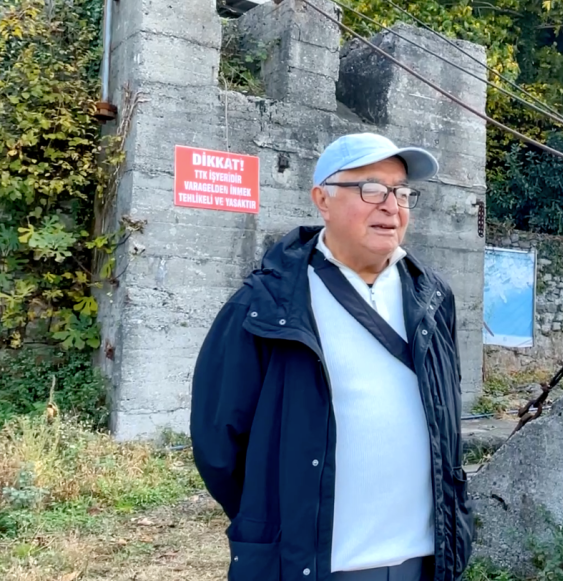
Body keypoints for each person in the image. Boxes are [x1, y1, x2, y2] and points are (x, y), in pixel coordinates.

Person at [190, 133, 474, 581]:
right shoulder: (265, 303)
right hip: (315, 566)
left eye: (401, 192)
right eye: (371, 189)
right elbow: (218, 445)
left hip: (423, 562)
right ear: (322, 199)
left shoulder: (433, 297)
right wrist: (279, 517)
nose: (391, 206)